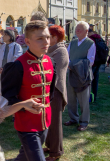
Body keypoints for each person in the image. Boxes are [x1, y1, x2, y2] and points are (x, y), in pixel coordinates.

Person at [1, 21, 57, 161]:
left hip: (45, 121)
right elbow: (8, 97)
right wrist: (24, 105)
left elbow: (50, 92)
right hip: (26, 124)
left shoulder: (51, 62)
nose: (46, 42)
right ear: (27, 41)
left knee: (24, 157)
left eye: (47, 37)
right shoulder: (17, 66)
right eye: (39, 38)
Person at [65, 21, 95, 132]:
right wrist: (69, 64)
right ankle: (73, 118)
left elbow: (90, 61)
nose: (77, 31)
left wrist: (74, 64)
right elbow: (67, 56)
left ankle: (84, 122)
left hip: (83, 75)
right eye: (76, 29)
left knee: (83, 100)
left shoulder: (90, 43)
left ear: (86, 31)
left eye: (80, 29)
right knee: (71, 98)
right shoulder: (72, 42)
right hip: (72, 73)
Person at [43, 25, 68, 160]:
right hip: (48, 90)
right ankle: (50, 145)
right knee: (48, 121)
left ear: (55, 37)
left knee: (55, 123)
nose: (46, 40)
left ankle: (56, 152)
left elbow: (53, 72)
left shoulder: (61, 51)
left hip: (56, 90)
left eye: (48, 37)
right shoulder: (50, 50)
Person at [88, 30, 104, 101]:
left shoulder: (90, 40)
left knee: (89, 80)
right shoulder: (100, 38)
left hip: (93, 62)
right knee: (95, 80)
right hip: (99, 61)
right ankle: (95, 95)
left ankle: (89, 97)